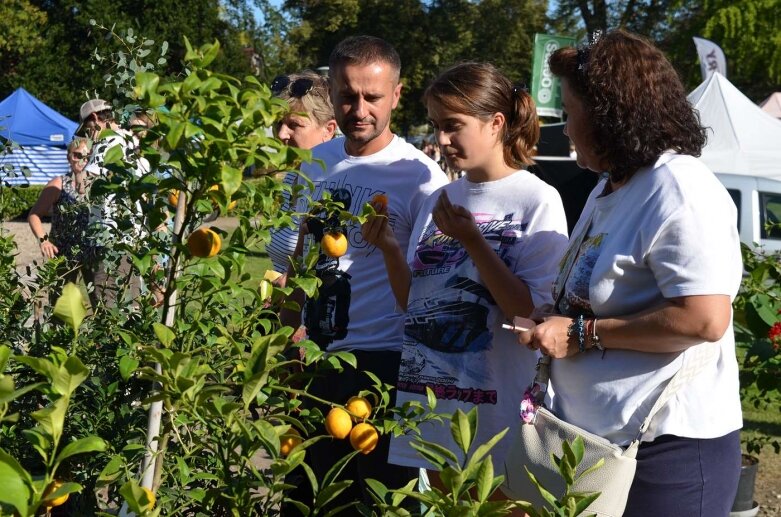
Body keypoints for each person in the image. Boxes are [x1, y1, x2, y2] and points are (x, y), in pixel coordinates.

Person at [515, 30, 743, 516]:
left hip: (668, 454)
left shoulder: (678, 188)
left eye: (571, 112)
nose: (566, 127)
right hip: (594, 444)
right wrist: (554, 317)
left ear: (609, 116)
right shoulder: (610, 187)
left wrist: (582, 334)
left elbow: (705, 319)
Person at [360, 62, 568, 490]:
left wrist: (475, 242)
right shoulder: (442, 197)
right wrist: (390, 250)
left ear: (496, 123)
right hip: (433, 408)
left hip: (496, 414)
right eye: (437, 126)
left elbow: (530, 312)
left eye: (454, 125)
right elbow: (411, 304)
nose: (441, 139)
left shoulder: (537, 199)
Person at [269, 35, 448, 511]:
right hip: (314, 360)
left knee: (377, 501)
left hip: (384, 368)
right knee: (305, 499)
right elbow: (299, 263)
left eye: (372, 96)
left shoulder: (423, 178)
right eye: (348, 96)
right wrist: (283, 347)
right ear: (332, 91)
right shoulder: (314, 165)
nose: (360, 108)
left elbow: (431, 295)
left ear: (397, 95)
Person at [266, 70, 338, 287]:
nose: (281, 134)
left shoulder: (335, 189)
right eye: (279, 123)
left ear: (329, 130)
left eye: (294, 125)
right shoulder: (292, 180)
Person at [78, 98, 146, 307]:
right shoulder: (131, 141)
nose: (89, 134)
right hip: (132, 237)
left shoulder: (106, 142)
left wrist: (87, 159)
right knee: (131, 302)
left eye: (88, 129)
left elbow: (84, 187)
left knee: (106, 306)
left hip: (108, 239)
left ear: (95, 118)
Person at [28, 137, 99, 302]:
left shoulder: (99, 184)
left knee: (100, 301)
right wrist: (44, 240)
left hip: (94, 252)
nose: (81, 160)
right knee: (61, 305)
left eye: (86, 156)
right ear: (68, 157)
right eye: (76, 155)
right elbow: (34, 215)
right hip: (63, 253)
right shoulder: (59, 183)